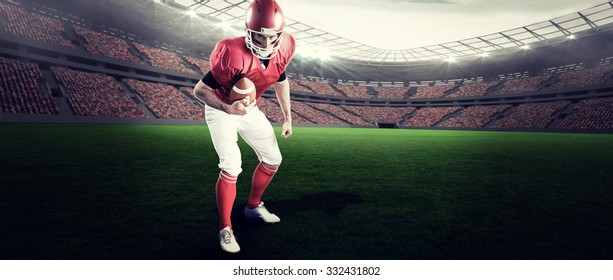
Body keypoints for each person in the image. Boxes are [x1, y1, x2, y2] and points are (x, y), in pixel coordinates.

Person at [192, 0, 295, 253]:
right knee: (232, 165)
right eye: (259, 38)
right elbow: (200, 90)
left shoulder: (286, 47)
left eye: (273, 39)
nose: (267, 45)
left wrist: (288, 117)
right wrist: (228, 108)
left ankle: (252, 207)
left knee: (273, 158)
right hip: (222, 107)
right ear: (248, 31)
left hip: (249, 108)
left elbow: (281, 80)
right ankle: (225, 228)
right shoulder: (230, 51)